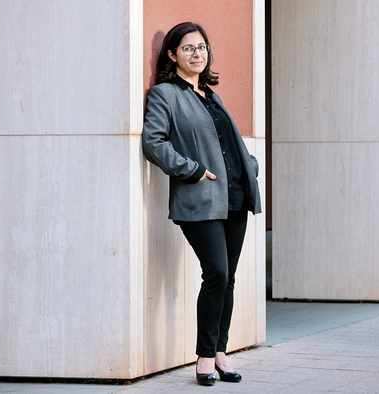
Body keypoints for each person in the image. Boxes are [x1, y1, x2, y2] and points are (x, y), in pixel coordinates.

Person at [142, 21, 261, 385]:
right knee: (217, 273)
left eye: (202, 47)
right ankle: (205, 356)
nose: (198, 54)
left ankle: (221, 352)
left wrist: (250, 164)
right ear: (173, 54)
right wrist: (191, 171)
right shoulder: (165, 94)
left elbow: (228, 142)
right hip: (199, 198)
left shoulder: (211, 95)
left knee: (229, 280)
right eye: (189, 48)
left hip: (235, 195)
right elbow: (154, 142)